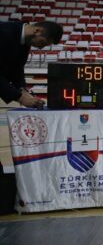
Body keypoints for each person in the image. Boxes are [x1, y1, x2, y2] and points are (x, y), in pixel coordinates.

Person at [0, 20, 62, 214]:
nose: (43, 47)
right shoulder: (3, 32)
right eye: (44, 42)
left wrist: (24, 92)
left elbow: (16, 72)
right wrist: (18, 96)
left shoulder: (24, 44)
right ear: (37, 30)